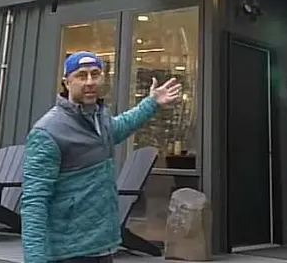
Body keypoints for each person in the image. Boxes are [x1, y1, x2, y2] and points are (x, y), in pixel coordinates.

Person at [21, 50, 182, 263]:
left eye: (95, 74)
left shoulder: (99, 118)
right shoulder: (48, 131)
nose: (90, 81)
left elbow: (121, 125)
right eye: (81, 75)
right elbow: (34, 201)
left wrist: (151, 103)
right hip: (69, 253)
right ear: (66, 82)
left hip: (103, 247)